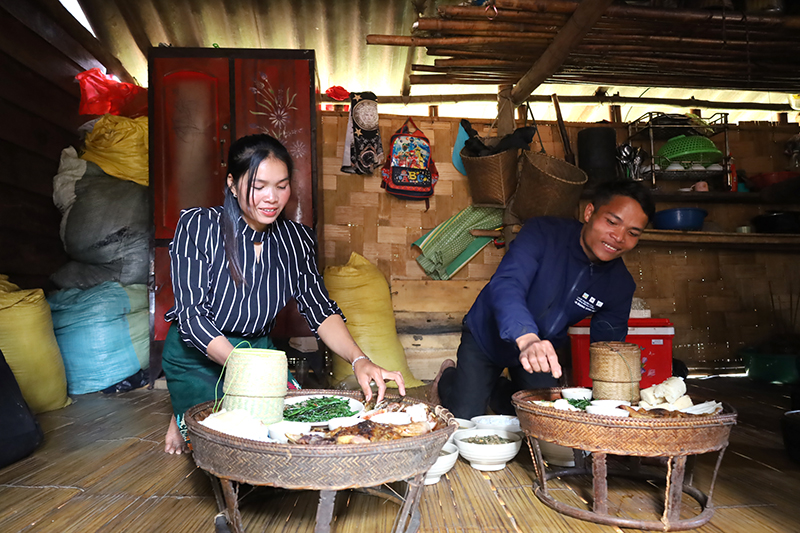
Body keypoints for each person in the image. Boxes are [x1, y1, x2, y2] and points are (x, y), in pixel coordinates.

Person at [162, 134, 405, 454]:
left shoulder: (296, 241)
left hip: (258, 352)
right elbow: (191, 316)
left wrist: (360, 359)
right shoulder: (200, 227)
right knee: (229, 442)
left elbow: (320, 309)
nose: (271, 198)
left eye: (281, 186)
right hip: (198, 353)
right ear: (232, 184)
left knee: (291, 429)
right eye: (259, 186)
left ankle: (192, 409)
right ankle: (183, 408)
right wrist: (246, 370)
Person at [430, 180, 655, 419]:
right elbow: (508, 284)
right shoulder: (542, 233)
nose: (619, 237)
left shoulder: (619, 284)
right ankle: (449, 378)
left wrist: (612, 401)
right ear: (590, 213)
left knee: (545, 417)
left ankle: (494, 389)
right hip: (487, 336)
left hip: (542, 350)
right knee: (464, 417)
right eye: (611, 222)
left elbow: (608, 349)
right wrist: (527, 338)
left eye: (632, 233)